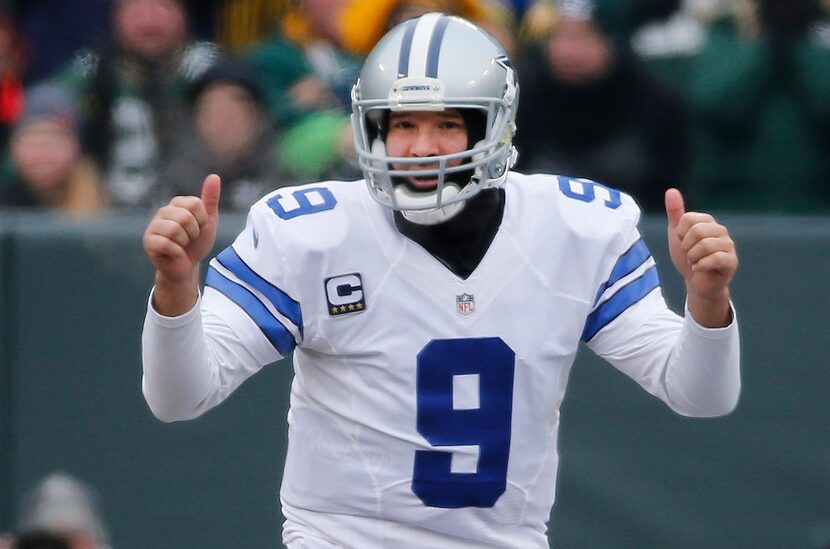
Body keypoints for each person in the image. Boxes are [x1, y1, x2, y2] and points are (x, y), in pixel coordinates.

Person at [141, 12, 741, 548]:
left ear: (493, 129)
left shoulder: (577, 228)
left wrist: (707, 300)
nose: (421, 148)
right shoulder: (308, 233)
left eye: (447, 124)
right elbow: (179, 397)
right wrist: (176, 288)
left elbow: (699, 394)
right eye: (402, 125)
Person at [0, 83, 107, 214]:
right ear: (14, 147)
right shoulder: (5, 200)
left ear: (77, 147)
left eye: (55, 140)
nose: (42, 152)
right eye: (33, 140)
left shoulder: (103, 204)